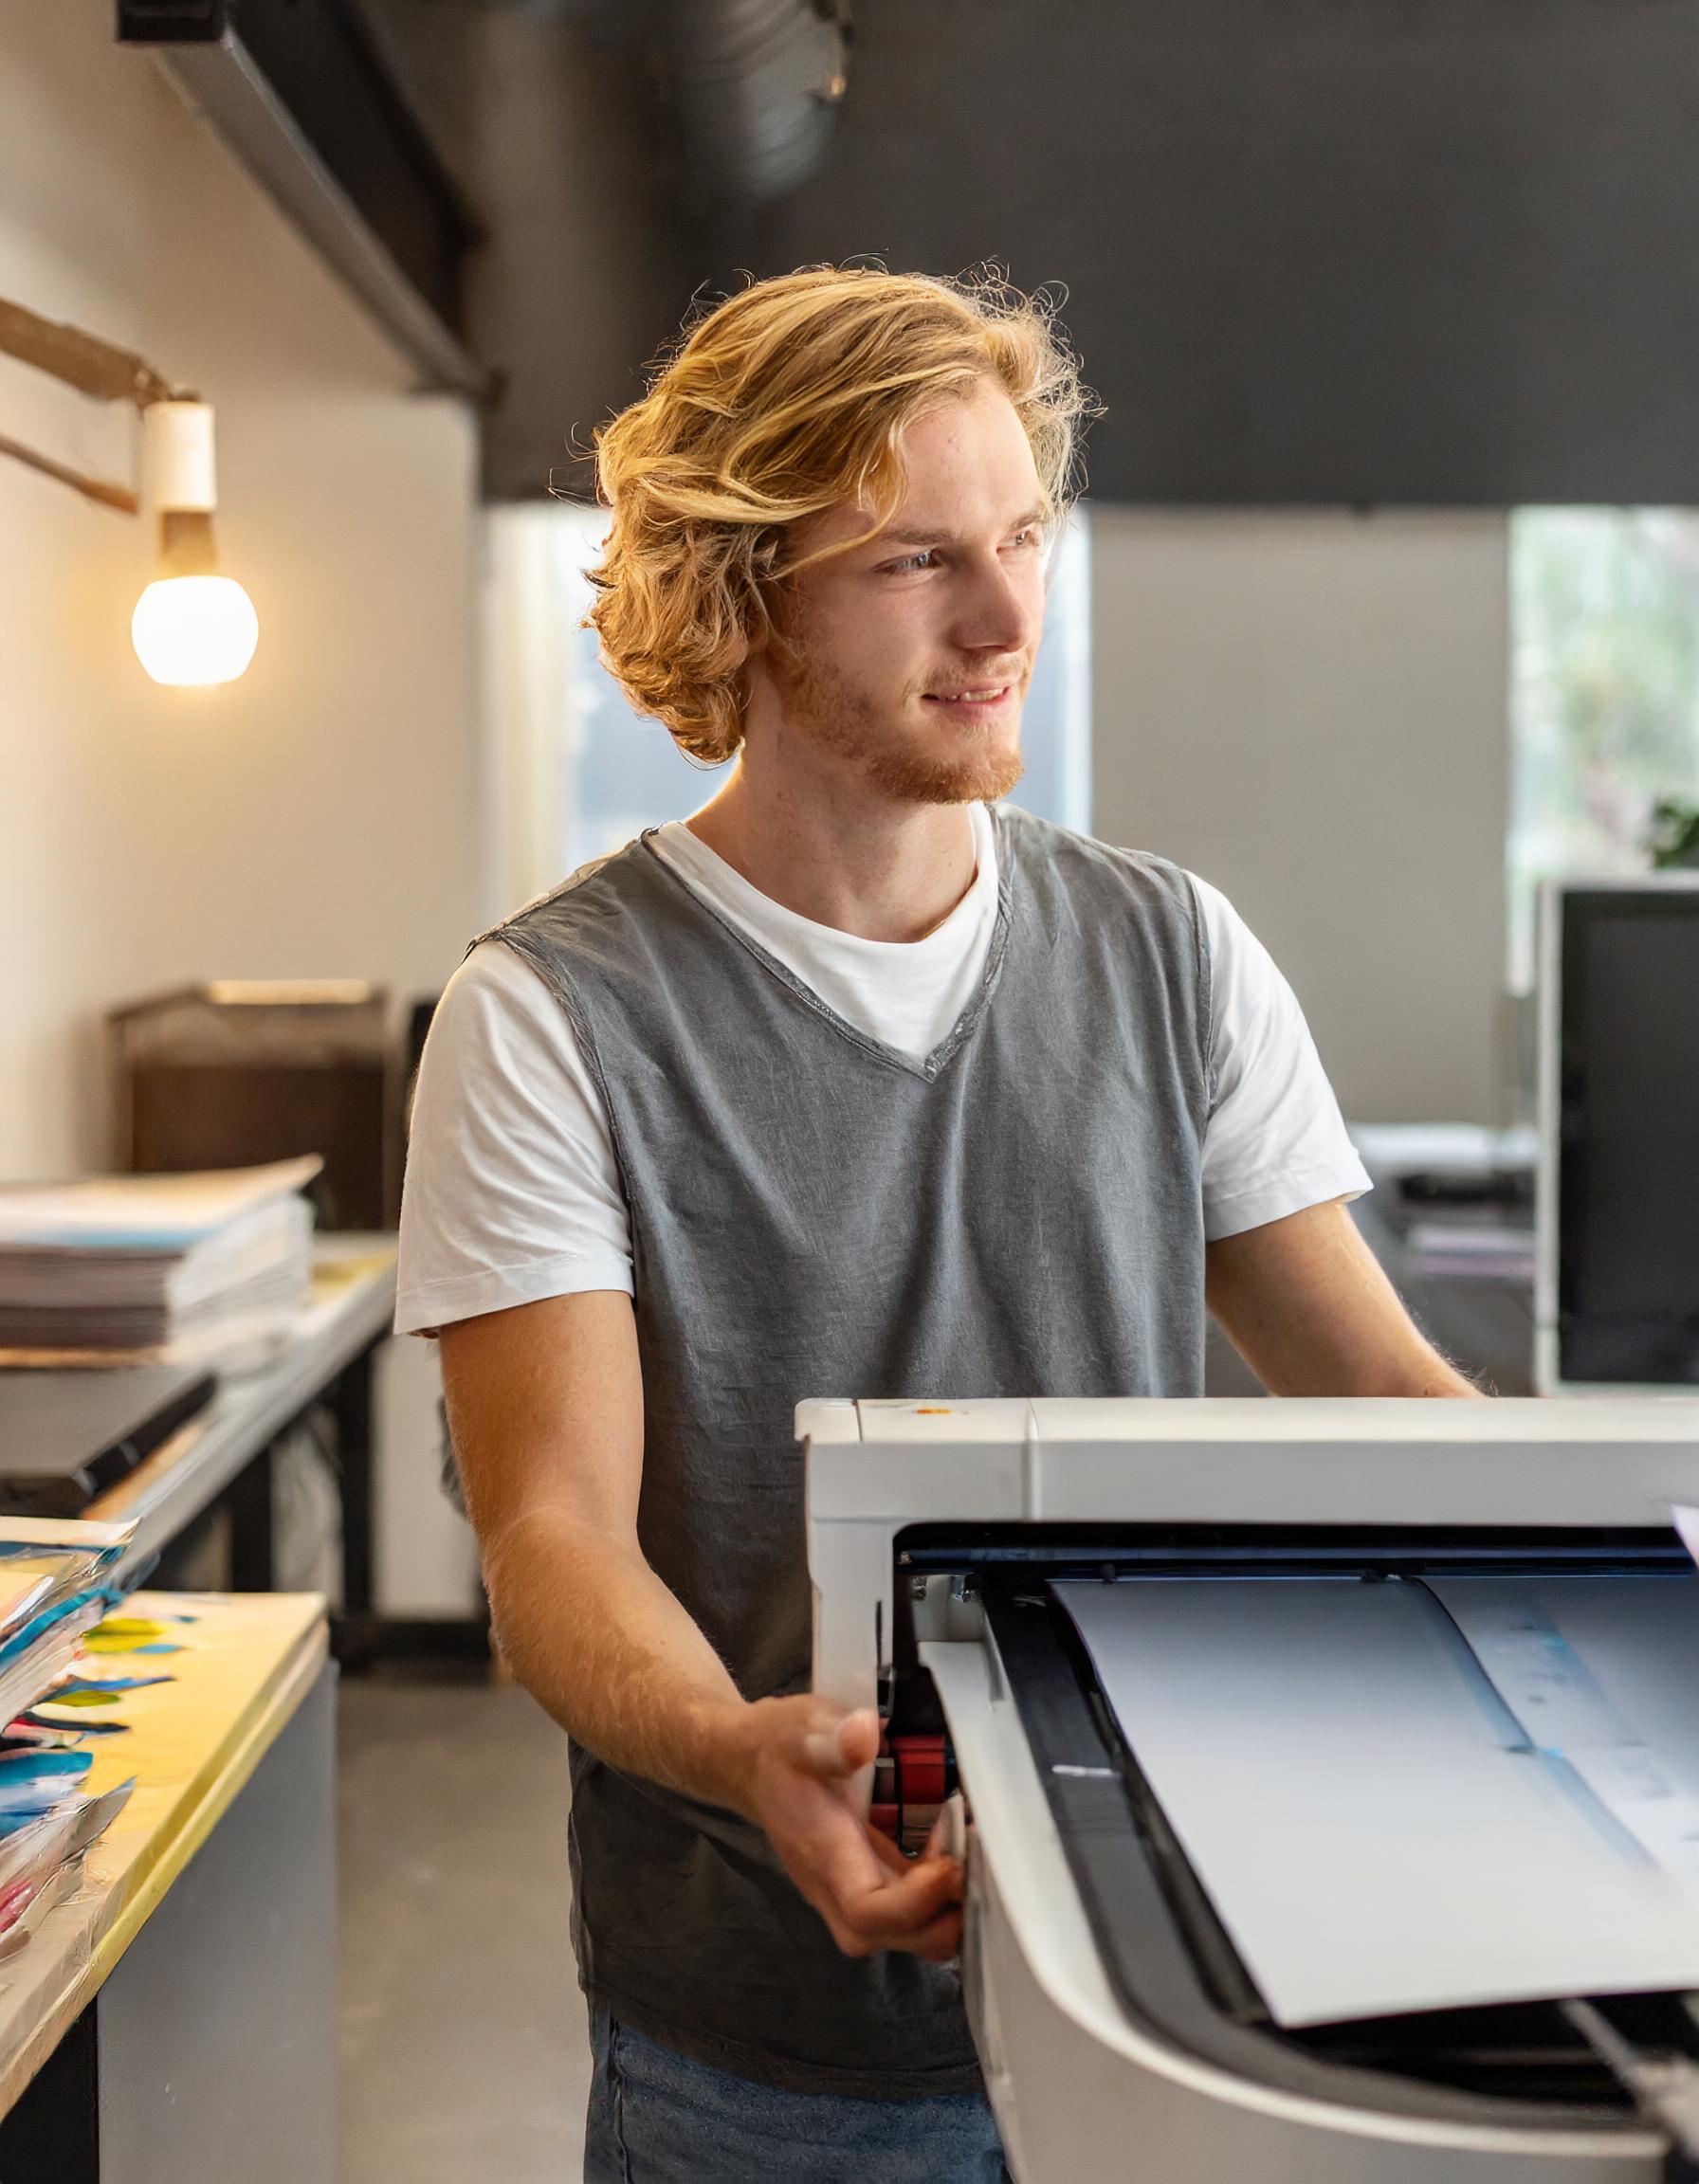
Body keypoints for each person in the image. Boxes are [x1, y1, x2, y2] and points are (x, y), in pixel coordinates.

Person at [396, 264, 1480, 2182]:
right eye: (911, 562)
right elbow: (550, 1536)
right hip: (768, 2056)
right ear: (736, 591)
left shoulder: (1169, 952)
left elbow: (1382, 1390)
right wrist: (748, 1752)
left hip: (1176, 2007)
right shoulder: (552, 1014)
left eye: (1020, 542)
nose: (999, 623)